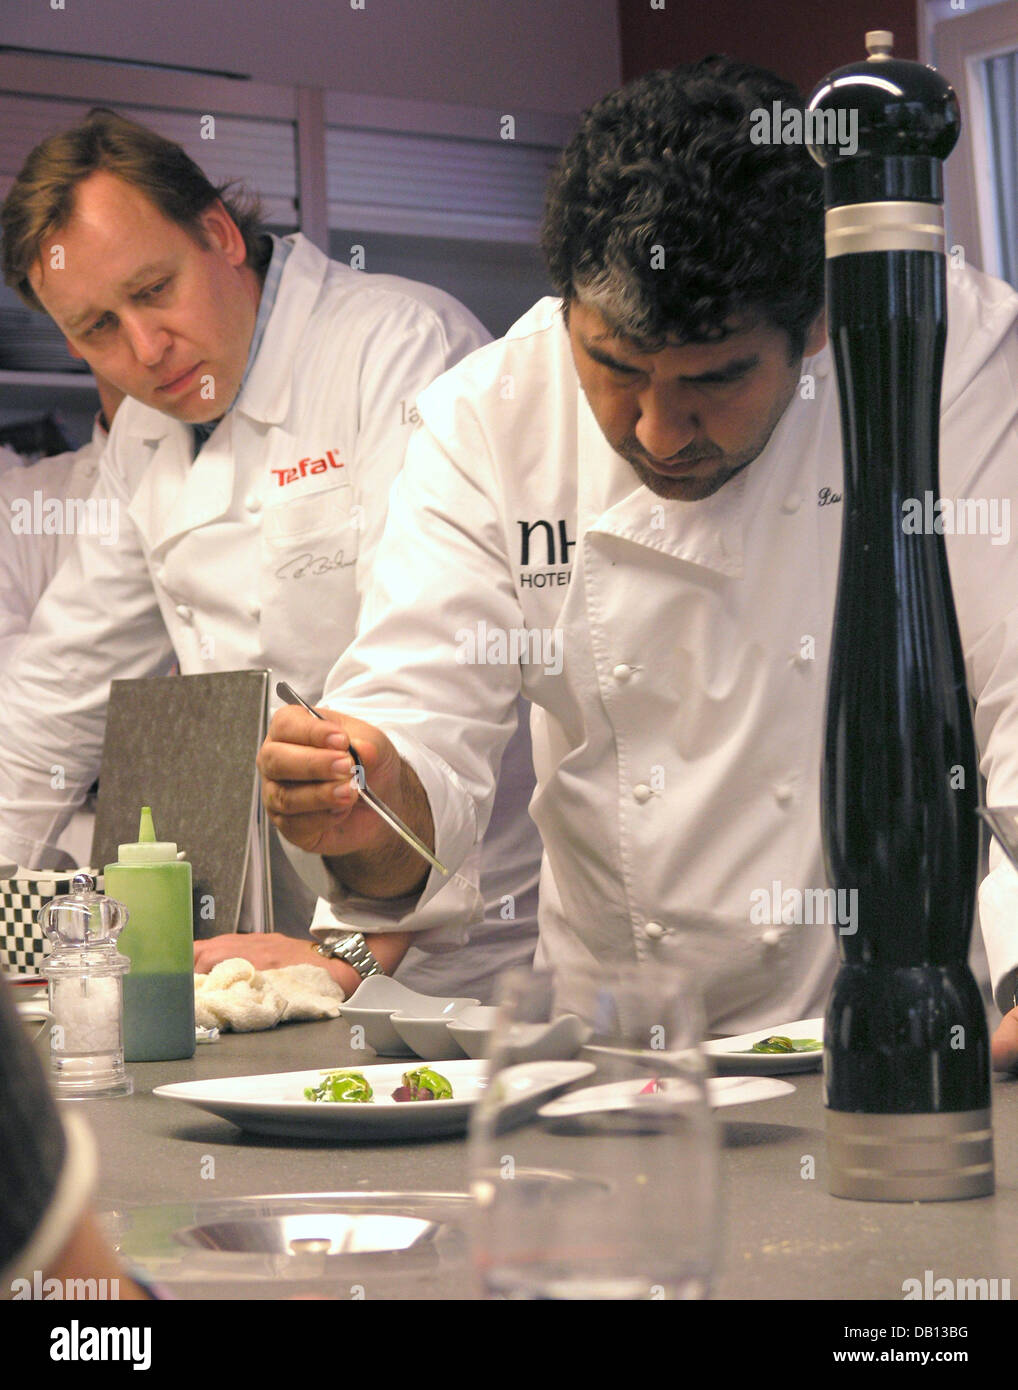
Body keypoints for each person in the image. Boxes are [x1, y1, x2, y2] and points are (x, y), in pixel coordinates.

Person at [256, 57, 1018, 1061]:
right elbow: (415, 714)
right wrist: (367, 792)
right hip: (617, 1057)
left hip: (891, 1034)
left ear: (816, 326)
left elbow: (1010, 687)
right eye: (613, 369)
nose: (659, 431)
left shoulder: (943, 349)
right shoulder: (487, 419)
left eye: (716, 378)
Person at [0, 109, 541, 1001]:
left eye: (154, 290)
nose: (143, 349)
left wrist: (359, 952)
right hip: (297, 949)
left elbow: (428, 678)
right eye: (98, 327)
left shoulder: (395, 347)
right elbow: (53, 698)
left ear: (218, 232)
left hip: (465, 944)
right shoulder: (144, 435)